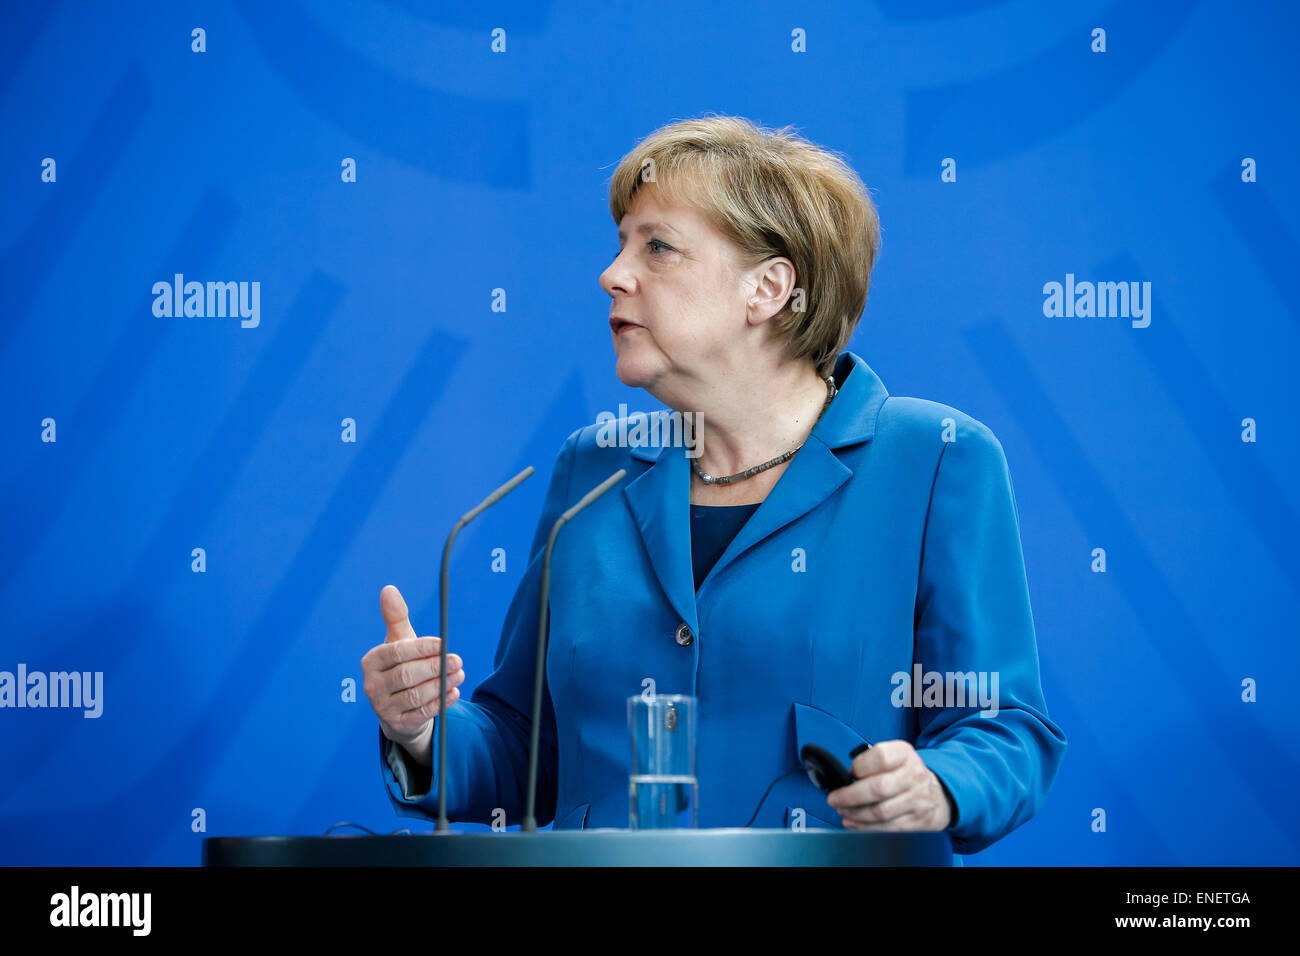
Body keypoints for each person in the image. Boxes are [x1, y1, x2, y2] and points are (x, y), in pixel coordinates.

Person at [362, 114, 1066, 857]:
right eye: (621, 243)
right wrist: (418, 731)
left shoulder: (934, 460)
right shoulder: (593, 466)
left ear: (768, 288)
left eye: (658, 247)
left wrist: (937, 785)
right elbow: (525, 749)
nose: (612, 273)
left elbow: (1004, 730)